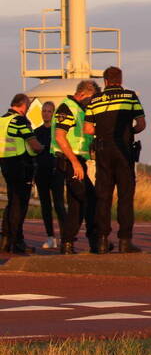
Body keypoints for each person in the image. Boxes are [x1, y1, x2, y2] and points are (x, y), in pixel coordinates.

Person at [84, 67, 146, 253]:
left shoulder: (95, 100)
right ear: (120, 79)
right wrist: (128, 133)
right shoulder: (130, 96)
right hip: (124, 150)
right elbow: (141, 124)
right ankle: (125, 241)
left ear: (105, 81)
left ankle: (102, 240)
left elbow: (87, 129)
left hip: (103, 149)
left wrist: (104, 134)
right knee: (125, 197)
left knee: (103, 196)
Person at [53, 80, 99, 254]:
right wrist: (74, 162)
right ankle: (95, 240)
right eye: (90, 98)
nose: (91, 102)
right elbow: (59, 136)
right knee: (90, 198)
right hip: (70, 161)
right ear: (81, 94)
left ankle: (67, 243)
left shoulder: (79, 109)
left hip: (78, 161)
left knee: (76, 206)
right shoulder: (67, 107)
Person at [0, 94, 44, 254]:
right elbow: (34, 145)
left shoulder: (2, 120)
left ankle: (5, 240)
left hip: (5, 164)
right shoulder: (19, 120)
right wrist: (43, 148)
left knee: (11, 203)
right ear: (23, 105)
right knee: (20, 205)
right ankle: (17, 241)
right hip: (21, 165)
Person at [32, 101, 59, 249]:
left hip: (55, 172)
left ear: (53, 113)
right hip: (41, 172)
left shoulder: (57, 131)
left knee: (59, 205)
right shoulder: (37, 132)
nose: (46, 113)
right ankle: (50, 237)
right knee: (46, 206)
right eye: (44, 110)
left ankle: (66, 237)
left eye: (49, 111)